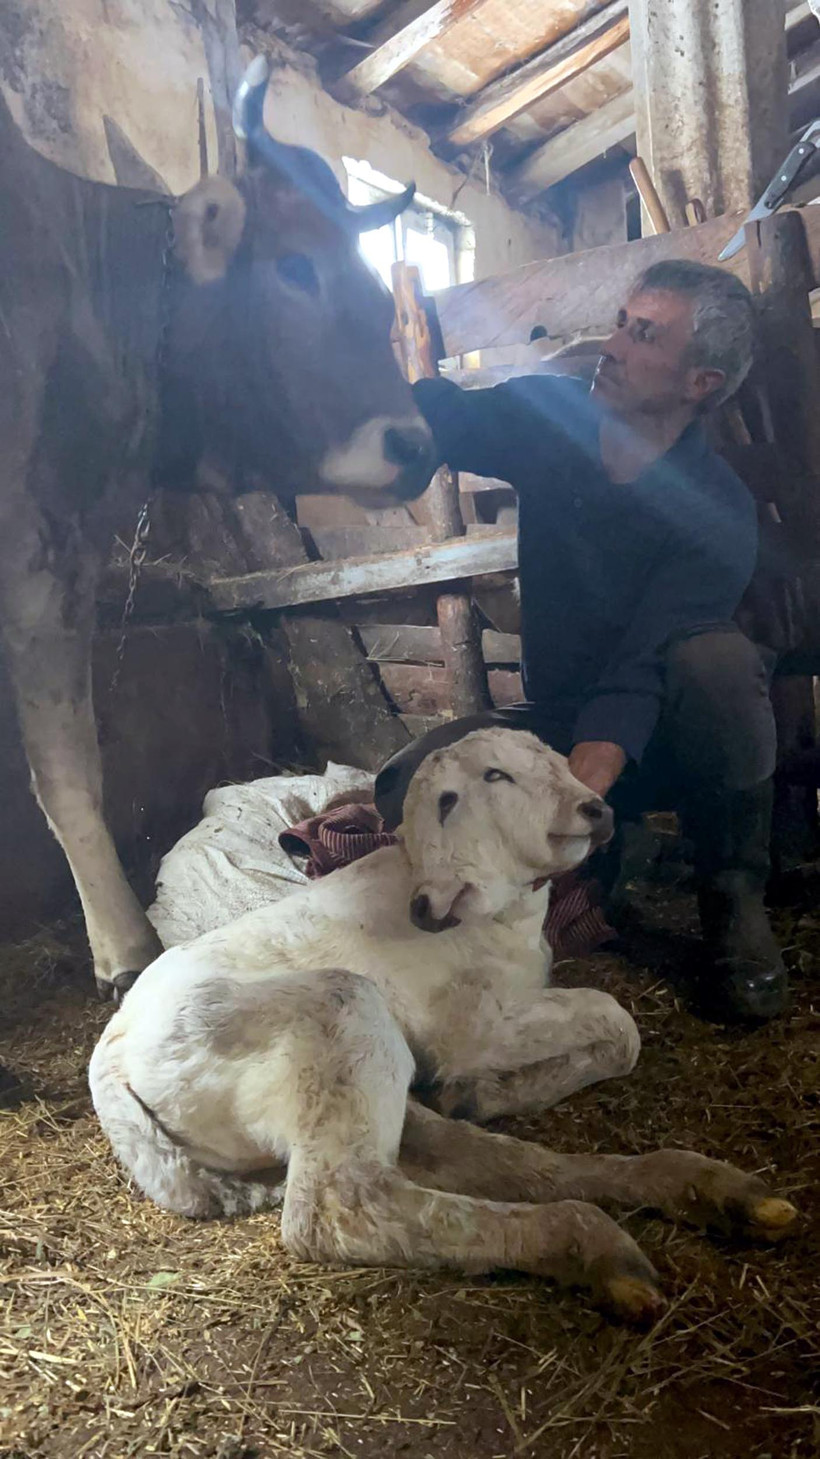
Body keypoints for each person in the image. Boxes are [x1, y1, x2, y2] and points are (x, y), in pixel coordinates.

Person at [374, 259, 787, 1024]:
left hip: (665, 734)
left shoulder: (717, 509)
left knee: (717, 661)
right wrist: (375, 404)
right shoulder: (552, 417)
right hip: (556, 721)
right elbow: (449, 416)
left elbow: (639, 672)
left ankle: (732, 897)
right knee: (405, 786)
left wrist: (567, 801)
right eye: (621, 322)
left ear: (701, 381)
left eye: (644, 335)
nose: (612, 344)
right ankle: (610, 852)